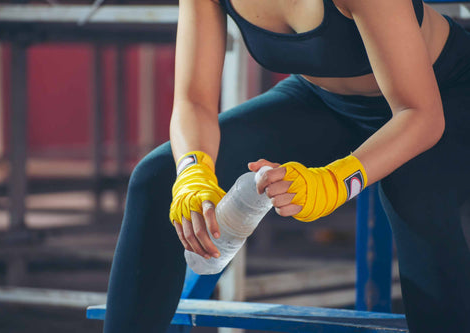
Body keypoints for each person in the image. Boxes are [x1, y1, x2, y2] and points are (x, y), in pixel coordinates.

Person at [103, 0, 470, 332]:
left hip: (445, 92)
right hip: (327, 102)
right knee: (157, 177)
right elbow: (194, 100)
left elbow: (421, 115)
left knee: (413, 195)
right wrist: (192, 171)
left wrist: (334, 182)